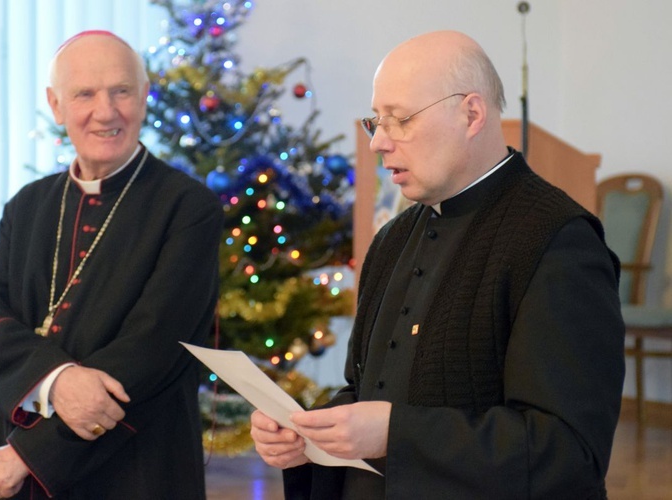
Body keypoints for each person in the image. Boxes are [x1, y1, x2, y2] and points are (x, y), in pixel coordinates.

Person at [250, 30, 625, 499]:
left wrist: (394, 433)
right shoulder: (391, 239)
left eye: (400, 120)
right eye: (376, 121)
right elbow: (367, 388)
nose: (377, 144)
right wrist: (310, 434)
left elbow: (568, 451)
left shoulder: (557, 240)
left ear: (471, 113)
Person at [0, 31, 222, 499]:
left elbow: (154, 349)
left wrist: (26, 456)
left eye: (121, 91)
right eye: (84, 94)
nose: (106, 112)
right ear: (56, 105)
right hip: (14, 458)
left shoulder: (188, 208)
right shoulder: (28, 206)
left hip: (134, 467)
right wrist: (56, 381)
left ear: (145, 97)